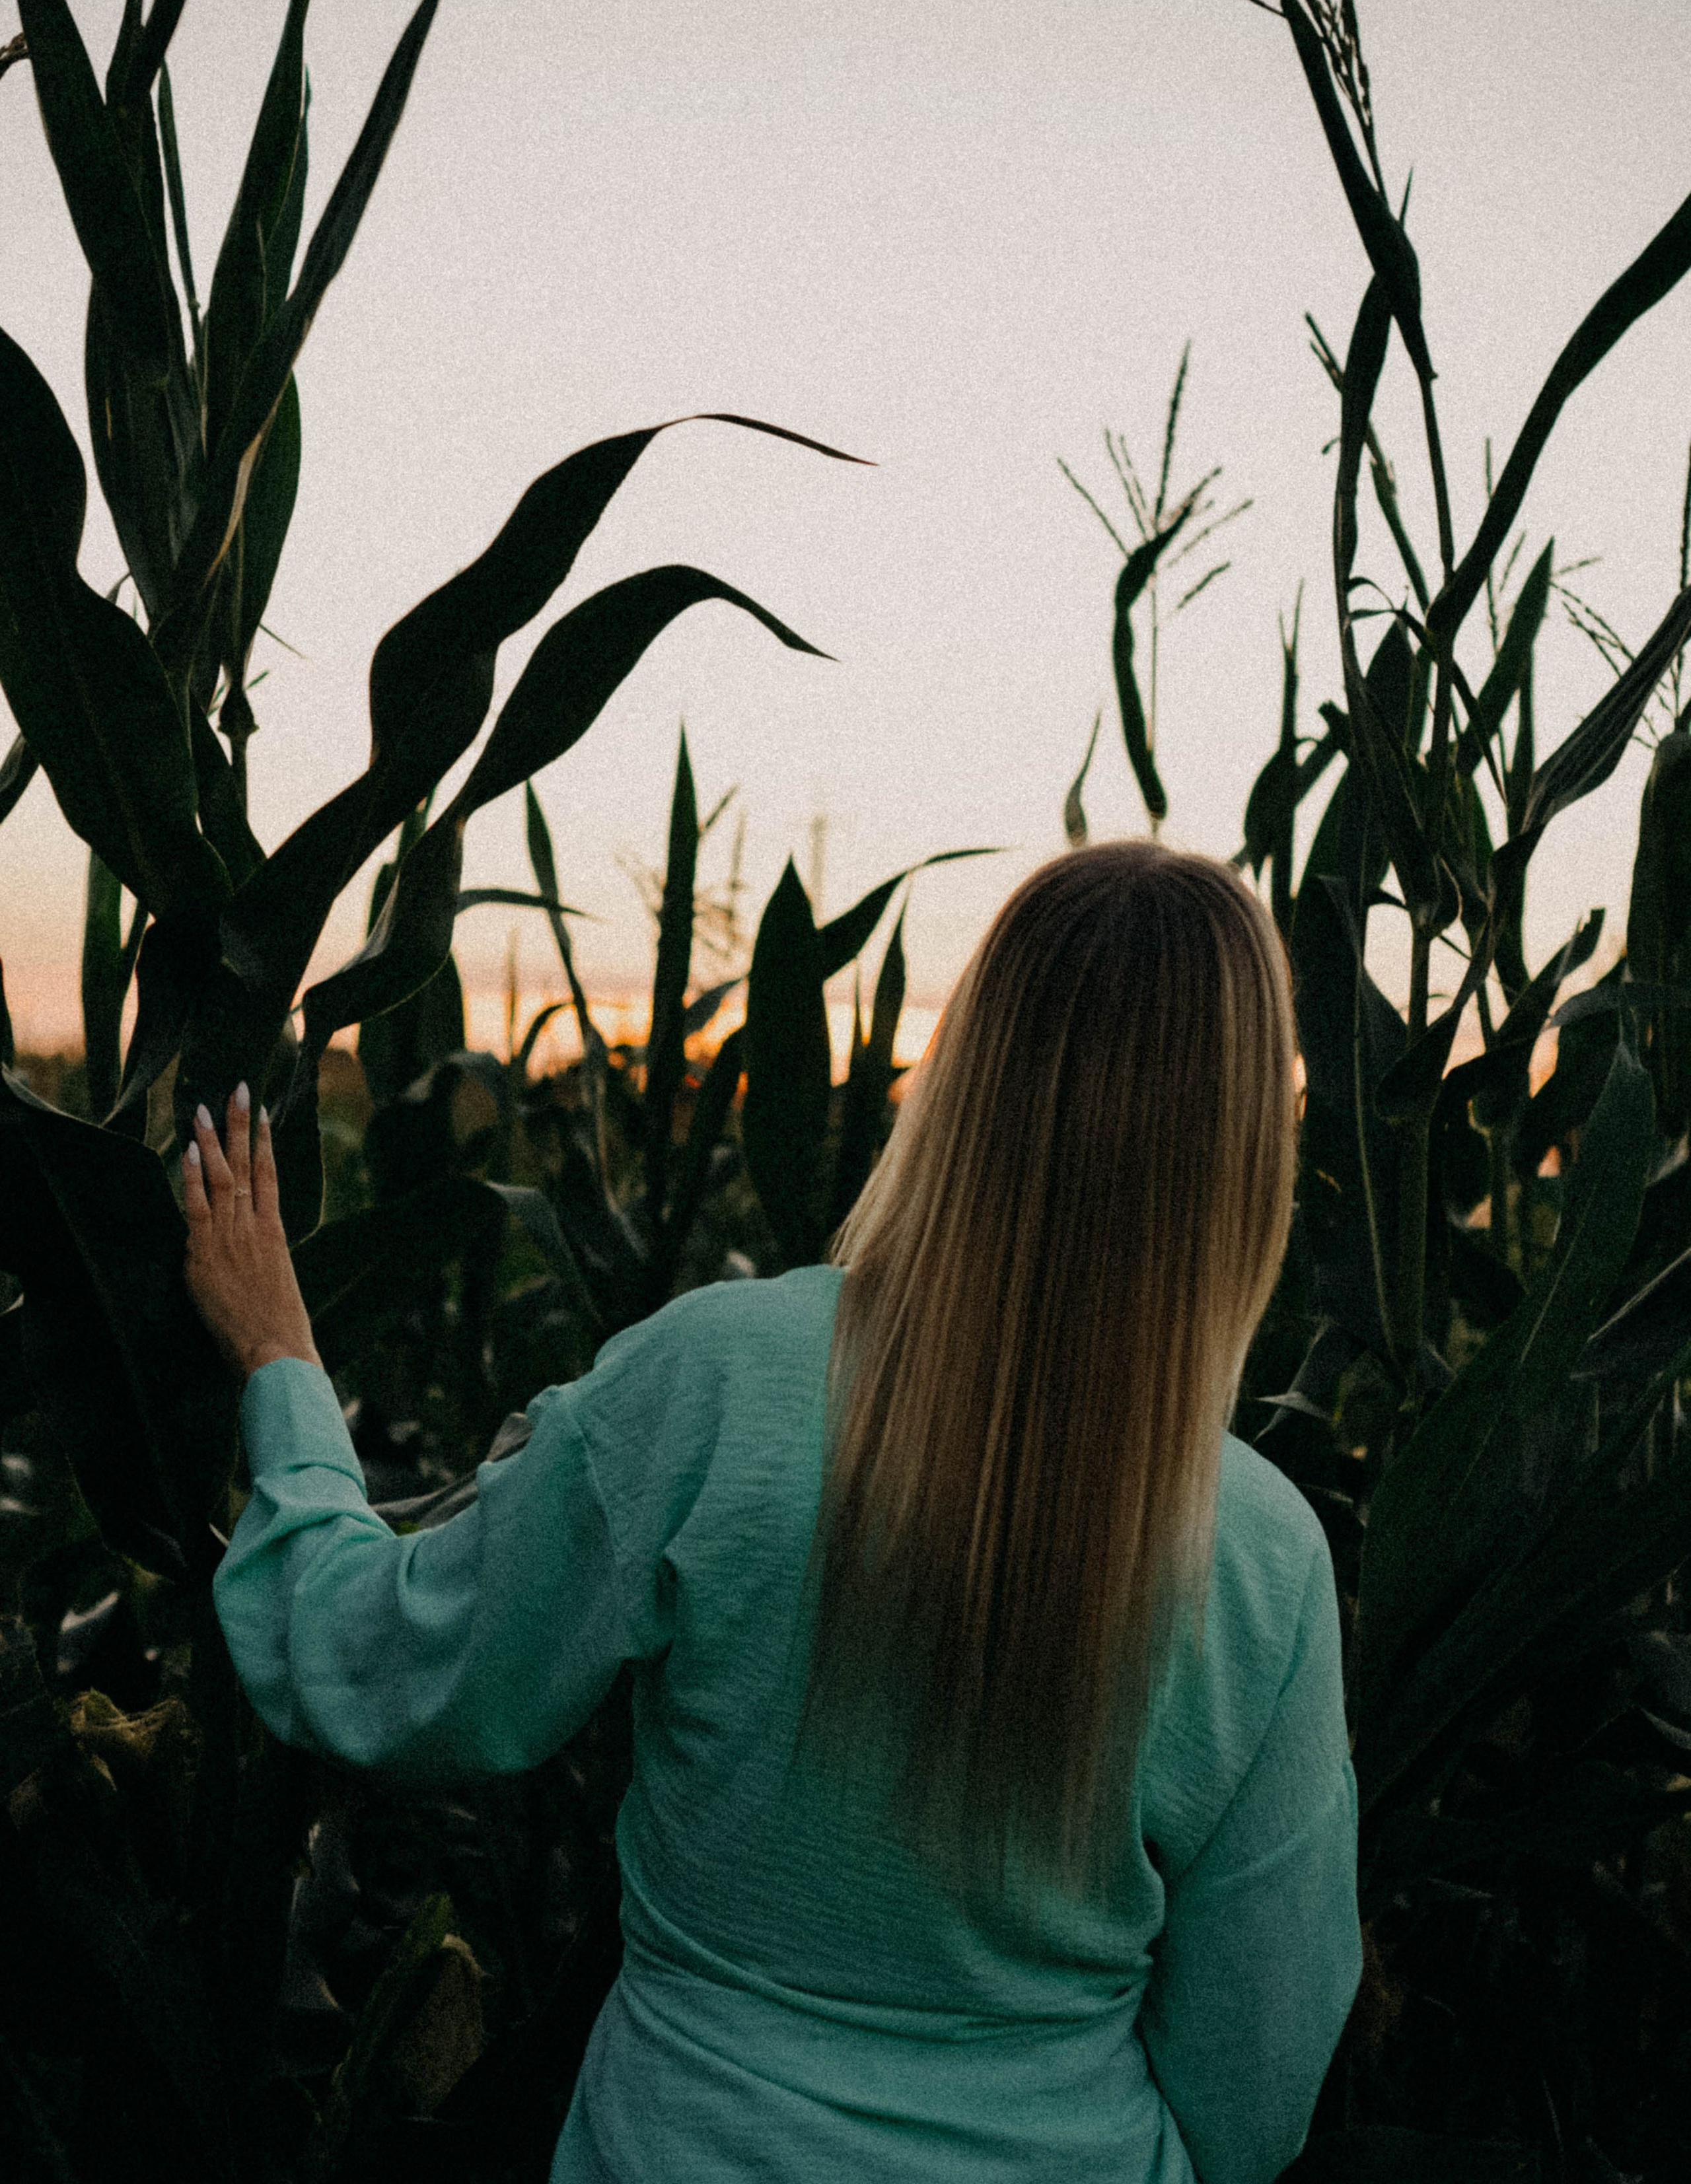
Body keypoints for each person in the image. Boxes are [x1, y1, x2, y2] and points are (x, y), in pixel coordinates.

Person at [198, 841, 1361, 2183]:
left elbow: (381, 1667)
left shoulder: (713, 1387)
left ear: (964, 1079)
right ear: (1241, 1160)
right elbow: (1255, 2083)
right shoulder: (1266, 1560)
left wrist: (281, 1370)